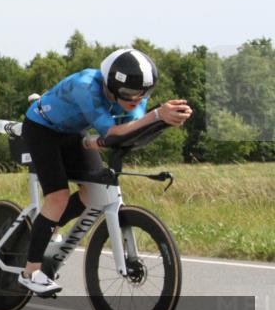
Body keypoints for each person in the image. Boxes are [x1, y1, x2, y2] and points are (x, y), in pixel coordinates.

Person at [18, 49, 192, 295]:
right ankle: (30, 272)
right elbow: (113, 133)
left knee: (93, 195)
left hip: (72, 132)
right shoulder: (86, 86)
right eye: (130, 93)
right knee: (58, 196)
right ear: (111, 86)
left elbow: (129, 132)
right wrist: (156, 114)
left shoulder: (134, 92)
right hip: (41, 129)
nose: (136, 99)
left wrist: (164, 121)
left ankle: (48, 229)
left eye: (143, 93)